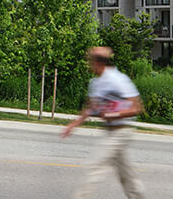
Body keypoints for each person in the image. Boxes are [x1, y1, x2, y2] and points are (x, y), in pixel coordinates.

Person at [61, 46, 147, 199]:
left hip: (122, 130)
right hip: (110, 130)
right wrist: (73, 125)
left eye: (90, 61)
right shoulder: (96, 82)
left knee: (96, 166)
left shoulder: (118, 79)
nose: (89, 64)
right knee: (127, 175)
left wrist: (114, 114)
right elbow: (91, 108)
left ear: (98, 62)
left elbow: (137, 107)